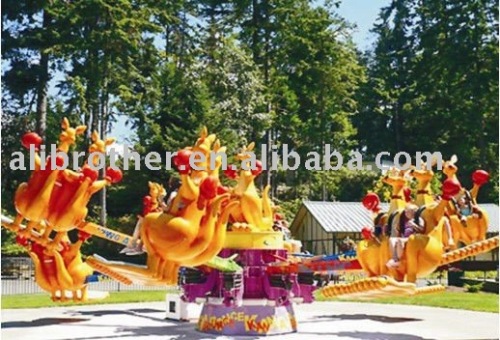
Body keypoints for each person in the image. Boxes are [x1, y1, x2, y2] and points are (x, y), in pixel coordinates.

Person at [387, 204, 424, 268]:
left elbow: (422, 230)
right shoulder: (405, 221)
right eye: (405, 211)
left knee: (400, 241)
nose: (405, 213)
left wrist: (414, 225)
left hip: (414, 238)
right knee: (392, 239)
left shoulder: (419, 219)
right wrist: (397, 230)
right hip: (405, 238)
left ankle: (398, 260)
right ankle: (394, 258)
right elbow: (401, 233)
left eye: (407, 211)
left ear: (413, 212)